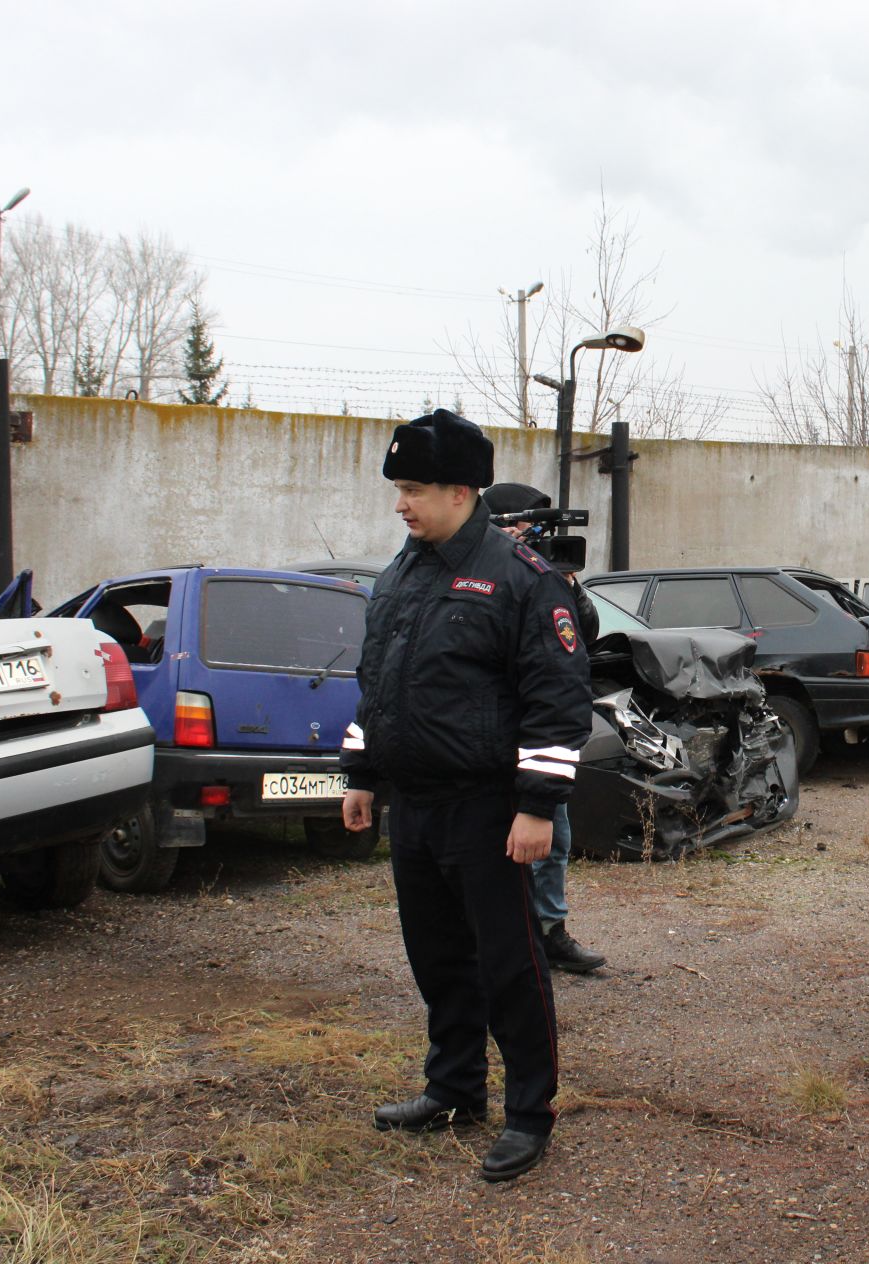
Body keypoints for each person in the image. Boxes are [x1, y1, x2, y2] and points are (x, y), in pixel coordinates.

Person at [339, 408, 593, 1183]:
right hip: (416, 806)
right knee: (438, 959)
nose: (400, 503)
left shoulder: (521, 578)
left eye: (412, 489)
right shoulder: (403, 571)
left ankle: (529, 1113)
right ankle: (453, 1091)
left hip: (488, 809)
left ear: (460, 490)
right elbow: (378, 685)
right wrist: (360, 774)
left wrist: (536, 805)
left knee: (509, 965)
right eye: (397, 488)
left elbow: (558, 698)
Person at [483, 480, 607, 976]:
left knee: (553, 840)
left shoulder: (546, 575)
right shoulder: (486, 574)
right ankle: (506, 939)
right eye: (527, 526)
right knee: (496, 848)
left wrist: (570, 584)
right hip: (493, 739)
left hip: (543, 736)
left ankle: (549, 932)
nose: (534, 535)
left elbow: (585, 634)